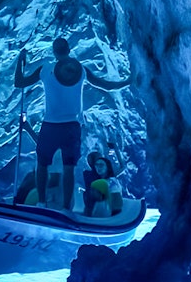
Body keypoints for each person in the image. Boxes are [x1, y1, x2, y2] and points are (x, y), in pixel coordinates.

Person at [14, 37, 131, 212]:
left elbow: (19, 83)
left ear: (54, 52)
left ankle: (42, 202)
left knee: (42, 164)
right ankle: (65, 208)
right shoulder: (80, 70)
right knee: (69, 168)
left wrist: (19, 61)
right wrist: (127, 81)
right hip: (72, 126)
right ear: (69, 50)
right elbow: (106, 85)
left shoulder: (45, 69)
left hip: (51, 124)